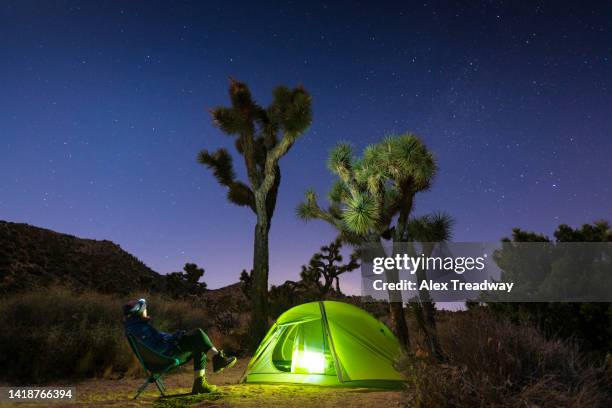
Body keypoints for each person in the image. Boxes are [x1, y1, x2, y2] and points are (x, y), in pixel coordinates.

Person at [123, 298, 236, 394]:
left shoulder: (135, 327)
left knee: (197, 338)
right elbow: (158, 348)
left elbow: (158, 340)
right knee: (198, 335)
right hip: (164, 359)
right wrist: (174, 340)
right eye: (145, 309)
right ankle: (214, 366)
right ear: (140, 311)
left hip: (159, 359)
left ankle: (211, 368)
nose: (146, 311)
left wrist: (176, 336)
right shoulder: (141, 329)